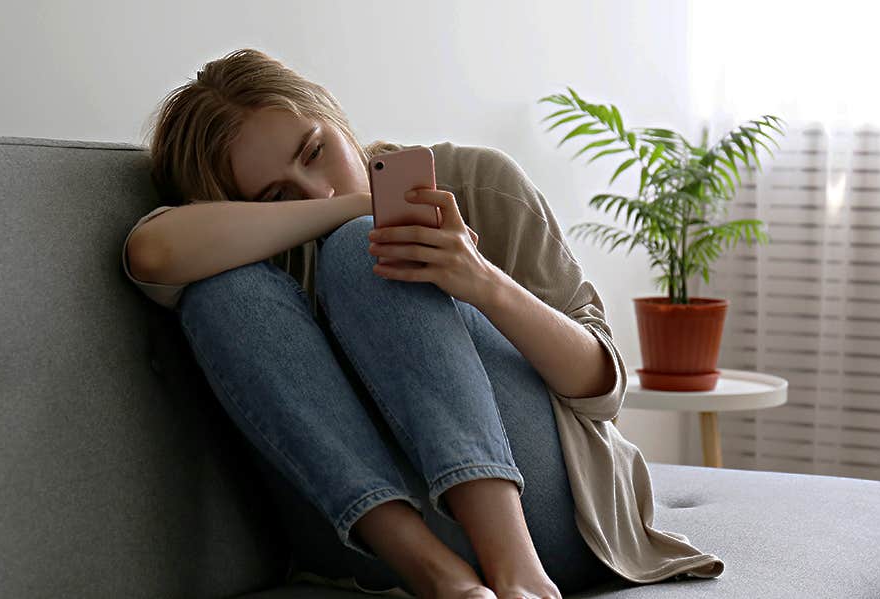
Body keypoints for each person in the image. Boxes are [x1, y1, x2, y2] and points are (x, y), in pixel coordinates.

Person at [122, 48, 722, 599]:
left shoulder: (477, 180)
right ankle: (443, 581)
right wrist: (355, 206)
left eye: (315, 151)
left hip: (553, 518)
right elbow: (151, 253)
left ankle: (520, 576)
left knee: (365, 249)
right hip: (373, 542)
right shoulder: (246, 249)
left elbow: (603, 390)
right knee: (224, 292)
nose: (316, 186)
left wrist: (480, 281)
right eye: (276, 195)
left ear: (332, 113)